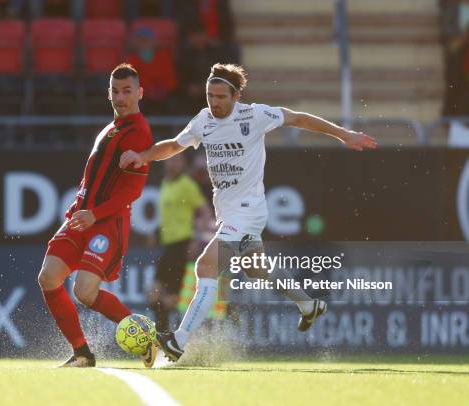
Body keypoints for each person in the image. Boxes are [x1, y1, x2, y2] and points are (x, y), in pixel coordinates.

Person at [120, 63, 378, 362]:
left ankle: (178, 340)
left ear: (236, 96)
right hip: (228, 214)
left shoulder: (254, 115)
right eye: (209, 96)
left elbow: (298, 118)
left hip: (249, 211)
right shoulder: (203, 120)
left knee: (205, 266)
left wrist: (343, 134)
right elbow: (175, 146)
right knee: (257, 268)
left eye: (220, 97)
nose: (214, 102)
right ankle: (308, 305)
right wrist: (143, 156)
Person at [37, 64, 155, 368]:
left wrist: (95, 214)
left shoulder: (139, 132)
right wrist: (80, 208)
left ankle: (144, 336)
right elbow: (92, 179)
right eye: (115, 91)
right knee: (48, 278)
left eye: (127, 91)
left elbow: (132, 191)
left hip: (106, 224)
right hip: (80, 217)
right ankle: (82, 353)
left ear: (139, 93)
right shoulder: (110, 128)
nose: (120, 97)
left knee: (84, 292)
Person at [147, 154, 211, 331]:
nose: (173, 163)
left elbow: (205, 212)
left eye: (177, 160)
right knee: (154, 294)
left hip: (181, 245)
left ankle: (170, 336)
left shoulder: (187, 184)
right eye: (171, 159)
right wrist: (156, 231)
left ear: (183, 163)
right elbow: (170, 214)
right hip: (167, 246)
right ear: (166, 161)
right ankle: (167, 334)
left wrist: (197, 238)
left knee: (169, 297)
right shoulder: (166, 183)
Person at [127, 27, 178, 115]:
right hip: (142, 96)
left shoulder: (164, 58)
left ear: (153, 41)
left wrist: (164, 89)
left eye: (147, 40)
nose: (144, 43)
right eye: (141, 40)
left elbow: (171, 78)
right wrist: (147, 90)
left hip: (163, 95)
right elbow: (131, 80)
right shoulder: (131, 60)